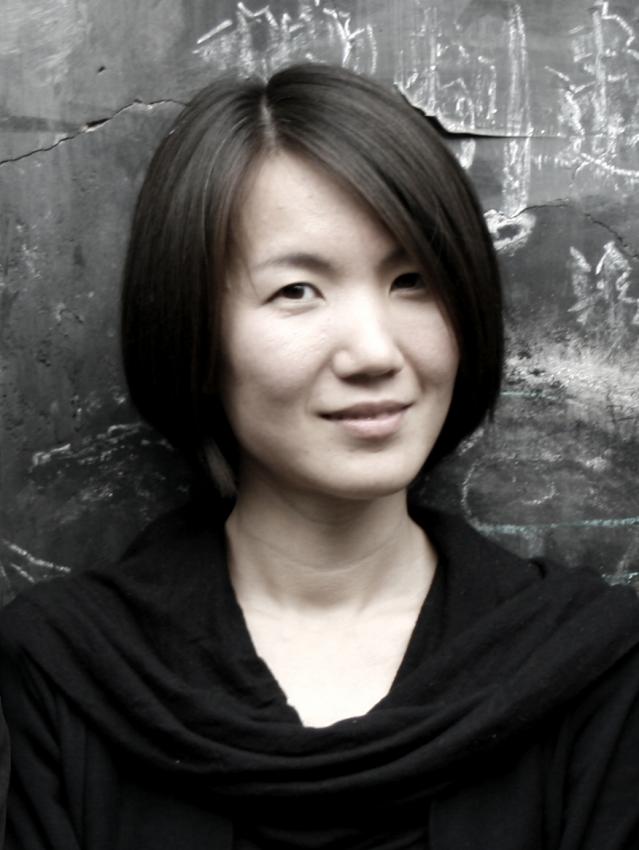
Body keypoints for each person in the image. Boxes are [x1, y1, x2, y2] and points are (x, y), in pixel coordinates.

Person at [0, 62, 638, 850]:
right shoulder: (66, 672)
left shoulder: (589, 668)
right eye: (296, 291)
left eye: (412, 280)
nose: (373, 352)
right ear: (194, 331)